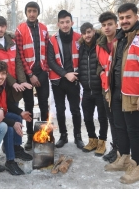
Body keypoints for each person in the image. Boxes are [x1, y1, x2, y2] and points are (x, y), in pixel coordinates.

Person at [104, 3, 139, 184]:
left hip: (135, 95)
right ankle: (124, 157)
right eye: (121, 18)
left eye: (128, 17)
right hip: (117, 92)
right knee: (120, 128)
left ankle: (137, 166)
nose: (124, 21)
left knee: (134, 131)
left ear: (136, 17)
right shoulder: (119, 38)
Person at [0, 60, 33, 175]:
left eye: (3, 74)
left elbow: (8, 103)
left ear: (6, 74)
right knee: (10, 127)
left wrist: (21, 112)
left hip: (0, 115)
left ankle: (15, 148)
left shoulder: (2, 84)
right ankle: (10, 161)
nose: (0, 77)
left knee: (17, 118)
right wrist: (12, 123)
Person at [15, 1, 50, 150]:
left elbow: (47, 50)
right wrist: (29, 74)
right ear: (26, 12)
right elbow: (20, 54)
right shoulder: (20, 30)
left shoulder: (44, 29)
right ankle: (30, 137)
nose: (31, 14)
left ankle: (43, 136)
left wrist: (45, 69)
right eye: (29, 11)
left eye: (34, 11)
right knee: (28, 105)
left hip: (42, 72)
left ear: (38, 13)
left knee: (44, 105)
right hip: (27, 75)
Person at [47, 10, 84, 149]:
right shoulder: (52, 40)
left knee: (75, 109)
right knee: (60, 109)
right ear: (58, 24)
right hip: (58, 81)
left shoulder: (79, 38)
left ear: (72, 23)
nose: (65, 25)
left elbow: (82, 59)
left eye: (67, 22)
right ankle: (63, 136)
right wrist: (65, 74)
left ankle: (78, 137)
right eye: (62, 22)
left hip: (73, 79)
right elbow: (51, 61)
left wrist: (75, 74)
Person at [0, 15, 32, 106]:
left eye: (2, 26)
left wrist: (22, 81)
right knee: (3, 113)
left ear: (6, 27)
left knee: (15, 111)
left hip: (14, 86)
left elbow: (18, 62)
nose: (0, 29)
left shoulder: (12, 42)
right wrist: (13, 83)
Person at [78, 22, 108, 157]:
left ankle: (102, 142)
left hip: (100, 90)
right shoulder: (81, 48)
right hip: (86, 90)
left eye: (89, 32)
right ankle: (92, 140)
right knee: (87, 118)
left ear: (93, 32)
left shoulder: (100, 45)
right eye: (84, 33)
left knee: (102, 118)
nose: (87, 35)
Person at [96, 11, 119, 163]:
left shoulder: (122, 41)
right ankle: (115, 148)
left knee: (120, 122)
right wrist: (103, 75)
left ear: (116, 25)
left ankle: (122, 151)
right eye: (104, 25)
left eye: (110, 24)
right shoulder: (100, 44)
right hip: (106, 88)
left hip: (120, 88)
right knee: (112, 120)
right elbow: (100, 65)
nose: (107, 28)